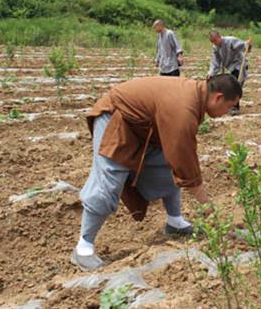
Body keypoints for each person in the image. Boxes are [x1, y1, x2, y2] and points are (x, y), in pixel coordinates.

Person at [72, 74, 242, 271]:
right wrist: (209, 209)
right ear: (218, 97)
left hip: (143, 127)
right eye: (229, 107)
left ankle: (175, 223)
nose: (227, 112)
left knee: (167, 167)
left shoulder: (195, 96)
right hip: (117, 118)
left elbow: (180, 156)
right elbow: (185, 160)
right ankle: (83, 247)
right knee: (109, 182)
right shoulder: (184, 108)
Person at [207, 31, 252, 115]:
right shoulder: (215, 47)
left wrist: (247, 44)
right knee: (228, 86)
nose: (215, 43)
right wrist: (211, 72)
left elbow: (243, 46)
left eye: (216, 40)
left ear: (220, 37)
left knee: (235, 86)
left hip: (239, 65)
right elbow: (215, 61)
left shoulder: (230, 41)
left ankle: (235, 107)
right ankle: (230, 105)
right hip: (231, 67)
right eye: (212, 42)